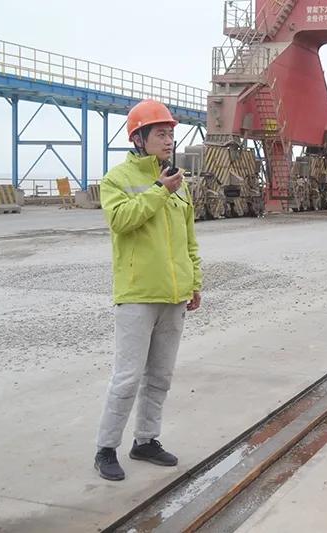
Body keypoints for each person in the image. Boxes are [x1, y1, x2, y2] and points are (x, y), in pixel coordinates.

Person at [94, 99, 202, 481]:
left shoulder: (180, 185)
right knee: (127, 377)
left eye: (171, 133)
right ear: (138, 138)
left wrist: (194, 282)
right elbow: (121, 220)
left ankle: (145, 441)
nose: (169, 140)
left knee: (160, 376)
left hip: (174, 295)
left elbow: (189, 239)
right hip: (138, 295)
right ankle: (106, 449)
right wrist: (159, 190)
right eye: (160, 133)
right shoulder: (117, 180)